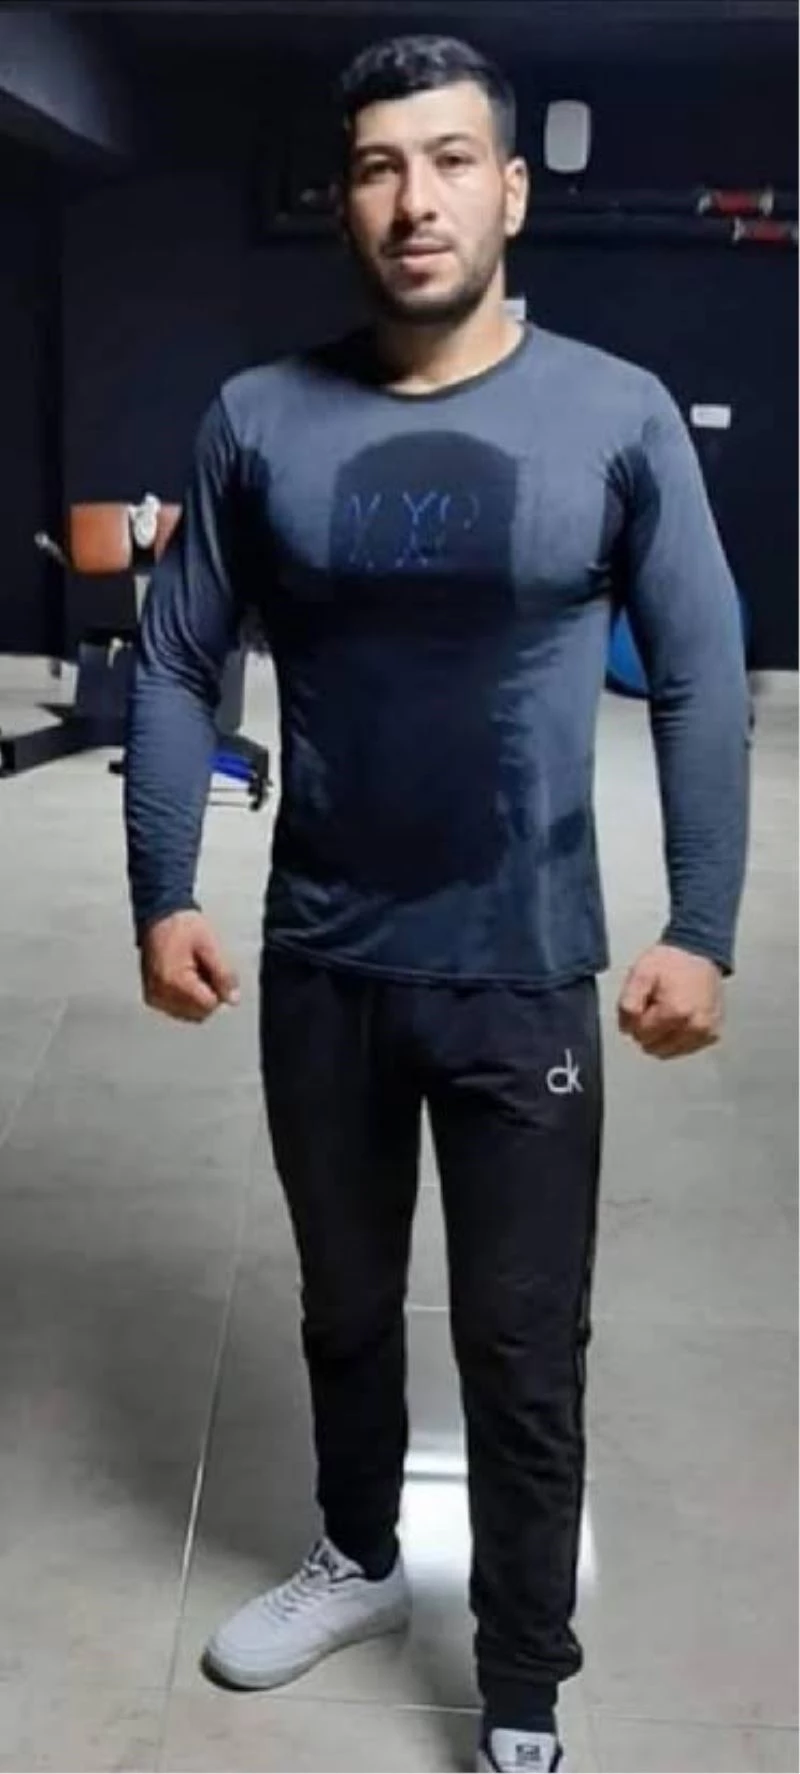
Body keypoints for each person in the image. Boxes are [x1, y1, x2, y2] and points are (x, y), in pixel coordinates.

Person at [124, 34, 750, 1774]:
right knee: (340, 1300)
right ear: (345, 198)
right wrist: (162, 887)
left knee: (521, 1337)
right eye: (382, 166)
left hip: (522, 966)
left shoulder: (613, 412)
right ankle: (358, 1552)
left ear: (512, 190)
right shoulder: (258, 418)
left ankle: (525, 1676)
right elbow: (174, 661)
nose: (418, 199)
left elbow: (700, 670)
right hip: (324, 956)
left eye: (453, 160)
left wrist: (701, 923)